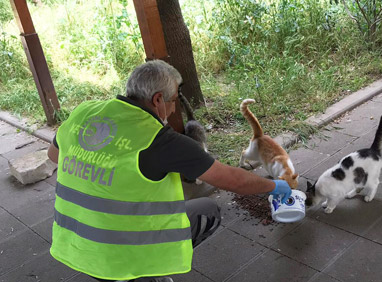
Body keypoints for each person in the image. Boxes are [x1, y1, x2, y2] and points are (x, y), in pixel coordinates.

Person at [46, 60, 293, 282]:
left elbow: (54, 155)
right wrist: (276, 185)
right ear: (157, 100)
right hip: (120, 259)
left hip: (75, 246)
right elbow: (232, 180)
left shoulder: (84, 112)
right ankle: (149, 273)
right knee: (208, 211)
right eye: (173, 100)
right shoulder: (160, 141)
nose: (174, 109)